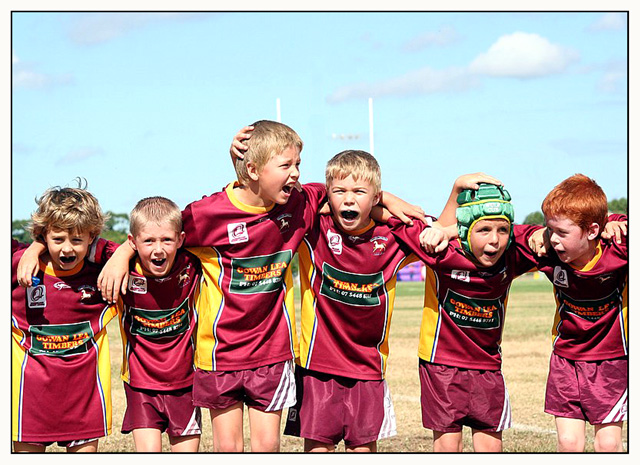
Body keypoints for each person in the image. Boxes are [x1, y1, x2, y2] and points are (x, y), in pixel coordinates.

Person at [97, 120, 422, 452]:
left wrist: (388, 202)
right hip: (220, 355)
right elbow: (159, 230)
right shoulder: (208, 214)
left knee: (267, 450)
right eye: (286, 165)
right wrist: (123, 251)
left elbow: (343, 191)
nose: (296, 173)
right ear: (252, 169)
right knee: (229, 450)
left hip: (273, 353)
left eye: (298, 164)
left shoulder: (298, 205)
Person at [282, 150, 464, 452]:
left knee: (363, 450)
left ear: (374, 196)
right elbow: (291, 197)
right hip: (317, 365)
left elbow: (435, 233)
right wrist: (383, 201)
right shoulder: (314, 229)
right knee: (317, 449)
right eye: (339, 192)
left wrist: (455, 190)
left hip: (367, 367)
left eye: (359, 192)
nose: (349, 199)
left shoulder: (392, 235)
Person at [391, 181, 543, 452]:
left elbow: (559, 229)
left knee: (491, 448)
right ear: (465, 230)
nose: (494, 240)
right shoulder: (441, 252)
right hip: (441, 365)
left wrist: (611, 219)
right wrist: (388, 199)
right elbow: (394, 218)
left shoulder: (512, 256)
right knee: (449, 447)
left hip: (488, 365)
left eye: (503, 230)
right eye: (483, 229)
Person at [11, 184, 117, 452]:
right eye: (57, 239)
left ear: (91, 238)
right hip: (29, 397)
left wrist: (120, 253)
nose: (67, 248)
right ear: (43, 236)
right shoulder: (18, 265)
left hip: (84, 398)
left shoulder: (104, 273)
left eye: (77, 240)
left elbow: (136, 250)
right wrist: (32, 250)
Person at [532, 174, 628, 452]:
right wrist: (536, 234)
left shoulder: (620, 250)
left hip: (611, 361)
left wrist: (619, 220)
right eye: (551, 230)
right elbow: (509, 232)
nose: (554, 239)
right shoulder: (547, 253)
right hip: (565, 359)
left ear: (592, 230)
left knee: (608, 444)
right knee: (568, 442)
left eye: (562, 233)